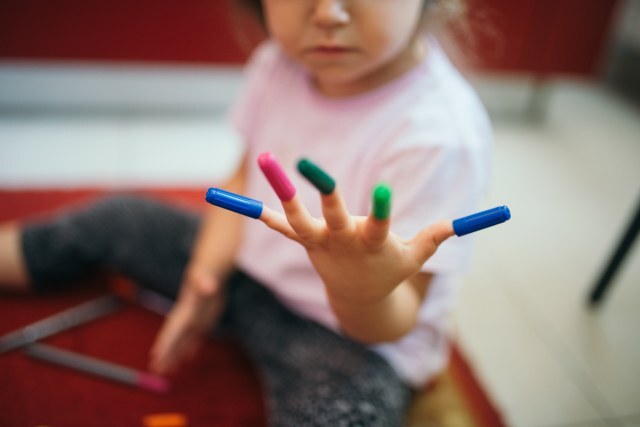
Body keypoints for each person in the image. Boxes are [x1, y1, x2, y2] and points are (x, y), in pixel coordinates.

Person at [0, 0, 492, 425]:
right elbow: (243, 181)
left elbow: (396, 321)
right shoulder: (278, 63)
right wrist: (204, 277)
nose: (327, 14)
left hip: (349, 340)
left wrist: (356, 288)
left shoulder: (440, 135)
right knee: (121, 216)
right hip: (247, 277)